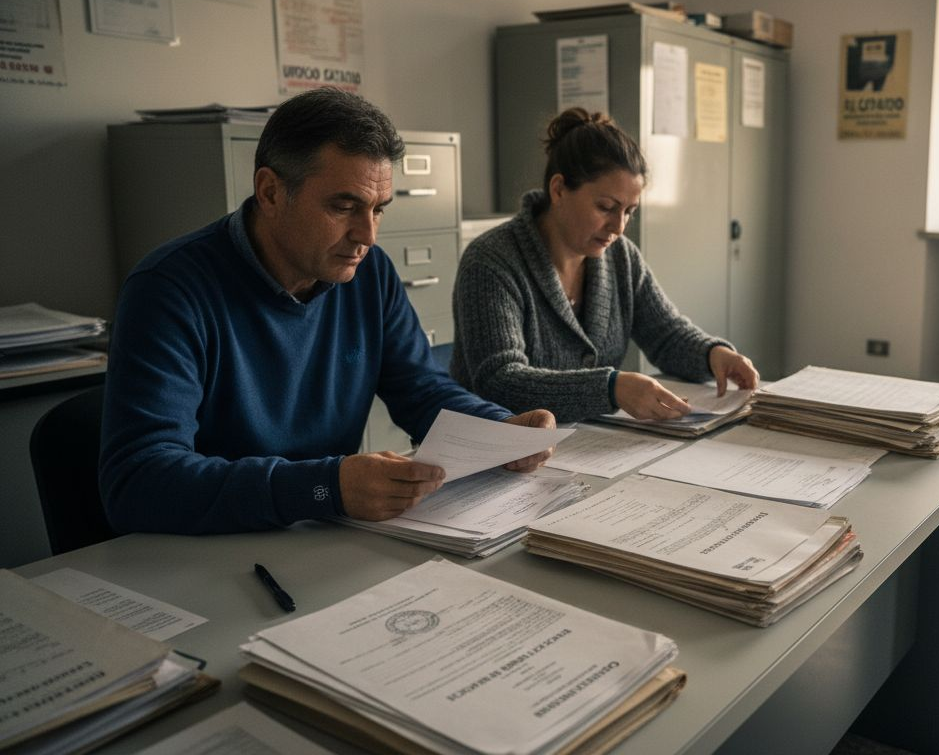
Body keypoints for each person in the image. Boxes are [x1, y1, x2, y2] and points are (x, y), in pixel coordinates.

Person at [99, 87, 555, 535]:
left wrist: (500, 429)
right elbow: (139, 482)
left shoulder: (369, 272)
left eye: (378, 210)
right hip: (213, 551)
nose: (367, 235)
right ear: (270, 192)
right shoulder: (169, 289)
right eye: (344, 206)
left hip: (323, 534)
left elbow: (420, 388)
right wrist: (324, 487)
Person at [452, 108, 759, 423]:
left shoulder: (621, 257)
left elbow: (666, 334)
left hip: (587, 440)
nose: (619, 227)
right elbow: (500, 381)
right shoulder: (492, 261)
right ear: (558, 190)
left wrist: (712, 354)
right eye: (606, 207)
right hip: (499, 446)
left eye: (629, 211)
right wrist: (610, 388)